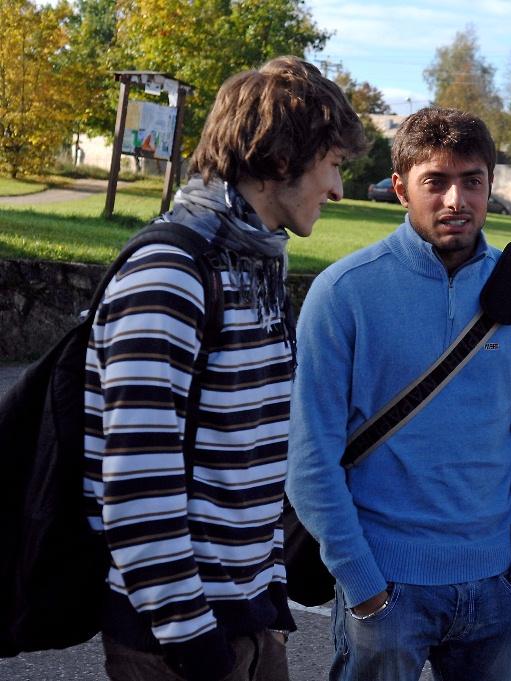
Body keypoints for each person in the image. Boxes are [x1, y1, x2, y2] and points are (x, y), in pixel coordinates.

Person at [83, 56, 366, 681]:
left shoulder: (254, 265)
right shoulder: (169, 275)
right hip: (177, 644)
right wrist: (198, 647)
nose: (338, 189)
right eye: (333, 163)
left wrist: (269, 597)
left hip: (250, 622)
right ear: (283, 160)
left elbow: (255, 460)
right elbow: (135, 486)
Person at [287, 107, 511, 681]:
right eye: (435, 181)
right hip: (386, 586)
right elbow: (310, 461)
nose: (455, 200)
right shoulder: (344, 293)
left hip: (498, 589)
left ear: (490, 184)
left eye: (472, 181)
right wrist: (364, 586)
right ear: (400, 188)